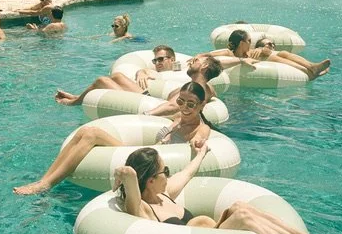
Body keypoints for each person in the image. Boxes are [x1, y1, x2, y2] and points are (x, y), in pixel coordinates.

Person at [113, 146, 342, 234]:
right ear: (152, 179)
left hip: (213, 232)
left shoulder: (164, 194)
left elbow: (187, 173)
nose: (169, 173)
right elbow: (131, 178)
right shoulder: (143, 207)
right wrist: (124, 173)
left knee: (240, 206)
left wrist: (201, 153)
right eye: (165, 170)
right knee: (243, 218)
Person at [13, 81, 211, 196]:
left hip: (149, 164)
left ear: (202, 105)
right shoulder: (177, 117)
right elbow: (166, 108)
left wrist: (198, 143)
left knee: (92, 134)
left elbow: (200, 140)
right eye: (181, 101)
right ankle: (45, 179)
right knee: (86, 131)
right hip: (143, 153)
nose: (184, 108)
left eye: (191, 105)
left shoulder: (200, 128)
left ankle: (45, 185)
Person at [54, 44, 179, 106]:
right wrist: (141, 72)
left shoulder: (179, 72)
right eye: (155, 60)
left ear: (172, 60)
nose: (157, 63)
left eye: (161, 59)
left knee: (101, 81)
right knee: (117, 76)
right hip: (146, 96)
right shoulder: (154, 72)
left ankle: (73, 102)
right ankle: (76, 96)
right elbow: (144, 71)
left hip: (152, 104)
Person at [213, 29, 331, 80]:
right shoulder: (228, 53)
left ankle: (311, 67)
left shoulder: (250, 52)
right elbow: (208, 55)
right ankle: (310, 72)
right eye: (249, 41)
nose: (250, 43)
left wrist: (262, 49)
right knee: (274, 56)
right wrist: (198, 57)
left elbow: (265, 51)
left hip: (262, 61)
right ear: (241, 43)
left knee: (283, 53)